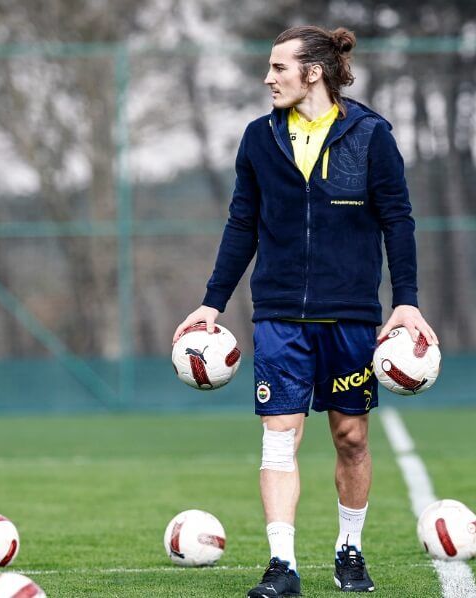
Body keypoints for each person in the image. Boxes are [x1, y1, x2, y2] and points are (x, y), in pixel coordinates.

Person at [172, 25, 438, 597]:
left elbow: (398, 220)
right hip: (279, 313)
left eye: (279, 68)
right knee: (278, 437)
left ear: (313, 72)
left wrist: (407, 302)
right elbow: (242, 223)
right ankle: (282, 564)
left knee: (351, 437)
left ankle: (350, 551)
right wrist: (212, 302)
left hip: (350, 314)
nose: (268, 78)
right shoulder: (259, 138)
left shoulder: (370, 135)